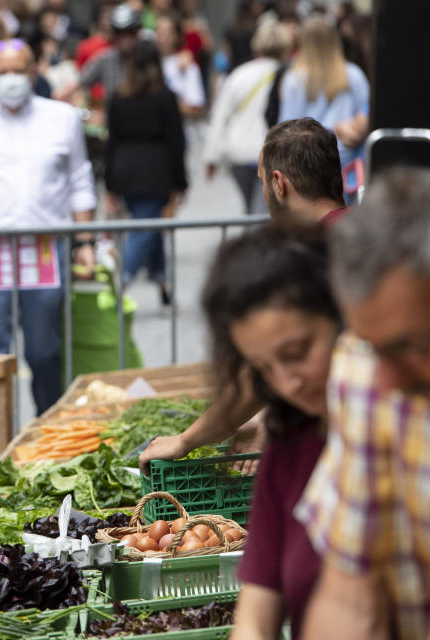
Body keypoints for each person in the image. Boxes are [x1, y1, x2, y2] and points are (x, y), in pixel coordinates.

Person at [138, 115, 345, 471]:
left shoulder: (308, 259)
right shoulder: (369, 235)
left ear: (279, 184)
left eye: (262, 182)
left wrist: (185, 441)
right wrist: (268, 416)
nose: (264, 193)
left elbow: (256, 379)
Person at [0, 38, 96, 454]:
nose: (11, 78)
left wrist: (84, 241)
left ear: (34, 72)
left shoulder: (62, 119)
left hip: (44, 253)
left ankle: (51, 439)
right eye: (2, 70)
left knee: (44, 350)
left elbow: (80, 179)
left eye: (19, 69)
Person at [297, 168, 430, 640]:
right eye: (373, 346)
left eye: (411, 345)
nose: (387, 378)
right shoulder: (361, 374)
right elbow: (350, 595)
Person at [201, 225, 338, 640]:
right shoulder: (290, 447)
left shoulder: (399, 434)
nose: (286, 383)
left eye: (296, 354)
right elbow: (256, 614)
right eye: (263, 368)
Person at [105, 39, 186, 305]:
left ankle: (162, 280)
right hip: (155, 170)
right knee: (145, 229)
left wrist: (109, 183)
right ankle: (120, 283)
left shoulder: (118, 96)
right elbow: (176, 142)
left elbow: (112, 140)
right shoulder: (164, 96)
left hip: (125, 169)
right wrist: (181, 182)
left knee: (149, 225)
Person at [202, 17, 292, 215]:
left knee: (251, 208)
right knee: (264, 209)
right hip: (272, 150)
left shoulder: (239, 74)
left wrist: (211, 157)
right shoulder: (290, 75)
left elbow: (220, 117)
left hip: (239, 151)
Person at [278, 16, 369, 170]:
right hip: (348, 159)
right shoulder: (353, 74)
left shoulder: (295, 79)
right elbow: (366, 110)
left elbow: (288, 127)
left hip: (309, 161)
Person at [259, 118, 346, 226]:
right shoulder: (368, 221)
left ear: (278, 183)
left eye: (262, 182)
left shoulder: (316, 241)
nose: (263, 191)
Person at [57, 4, 140, 104]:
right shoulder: (106, 59)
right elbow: (79, 83)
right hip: (114, 116)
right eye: (119, 32)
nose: (125, 39)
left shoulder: (147, 58)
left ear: (137, 32)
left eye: (130, 32)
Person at [155, 11, 205, 120]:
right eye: (159, 31)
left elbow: (197, 107)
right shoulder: (148, 64)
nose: (162, 37)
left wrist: (163, 106)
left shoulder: (187, 65)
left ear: (177, 36)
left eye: (167, 32)